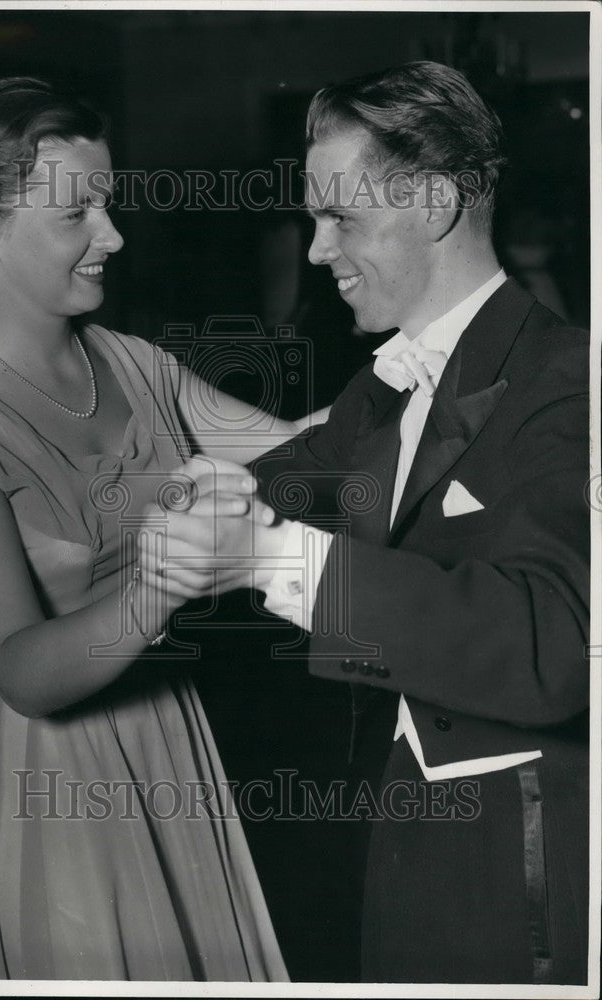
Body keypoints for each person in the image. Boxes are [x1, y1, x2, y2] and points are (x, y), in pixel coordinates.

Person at [157, 61, 591, 984]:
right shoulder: (393, 380)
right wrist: (200, 495)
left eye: (340, 218)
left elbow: (551, 640)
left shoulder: (571, 381)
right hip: (400, 829)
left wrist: (268, 558)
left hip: (525, 871)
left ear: (435, 201)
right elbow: (289, 480)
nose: (316, 251)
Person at [0, 76, 325, 981]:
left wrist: (430, 371)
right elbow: (22, 671)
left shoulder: (129, 360)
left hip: (163, 724)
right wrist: (162, 587)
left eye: (110, 203)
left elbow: (304, 454)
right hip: (39, 774)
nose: (113, 236)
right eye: (76, 213)